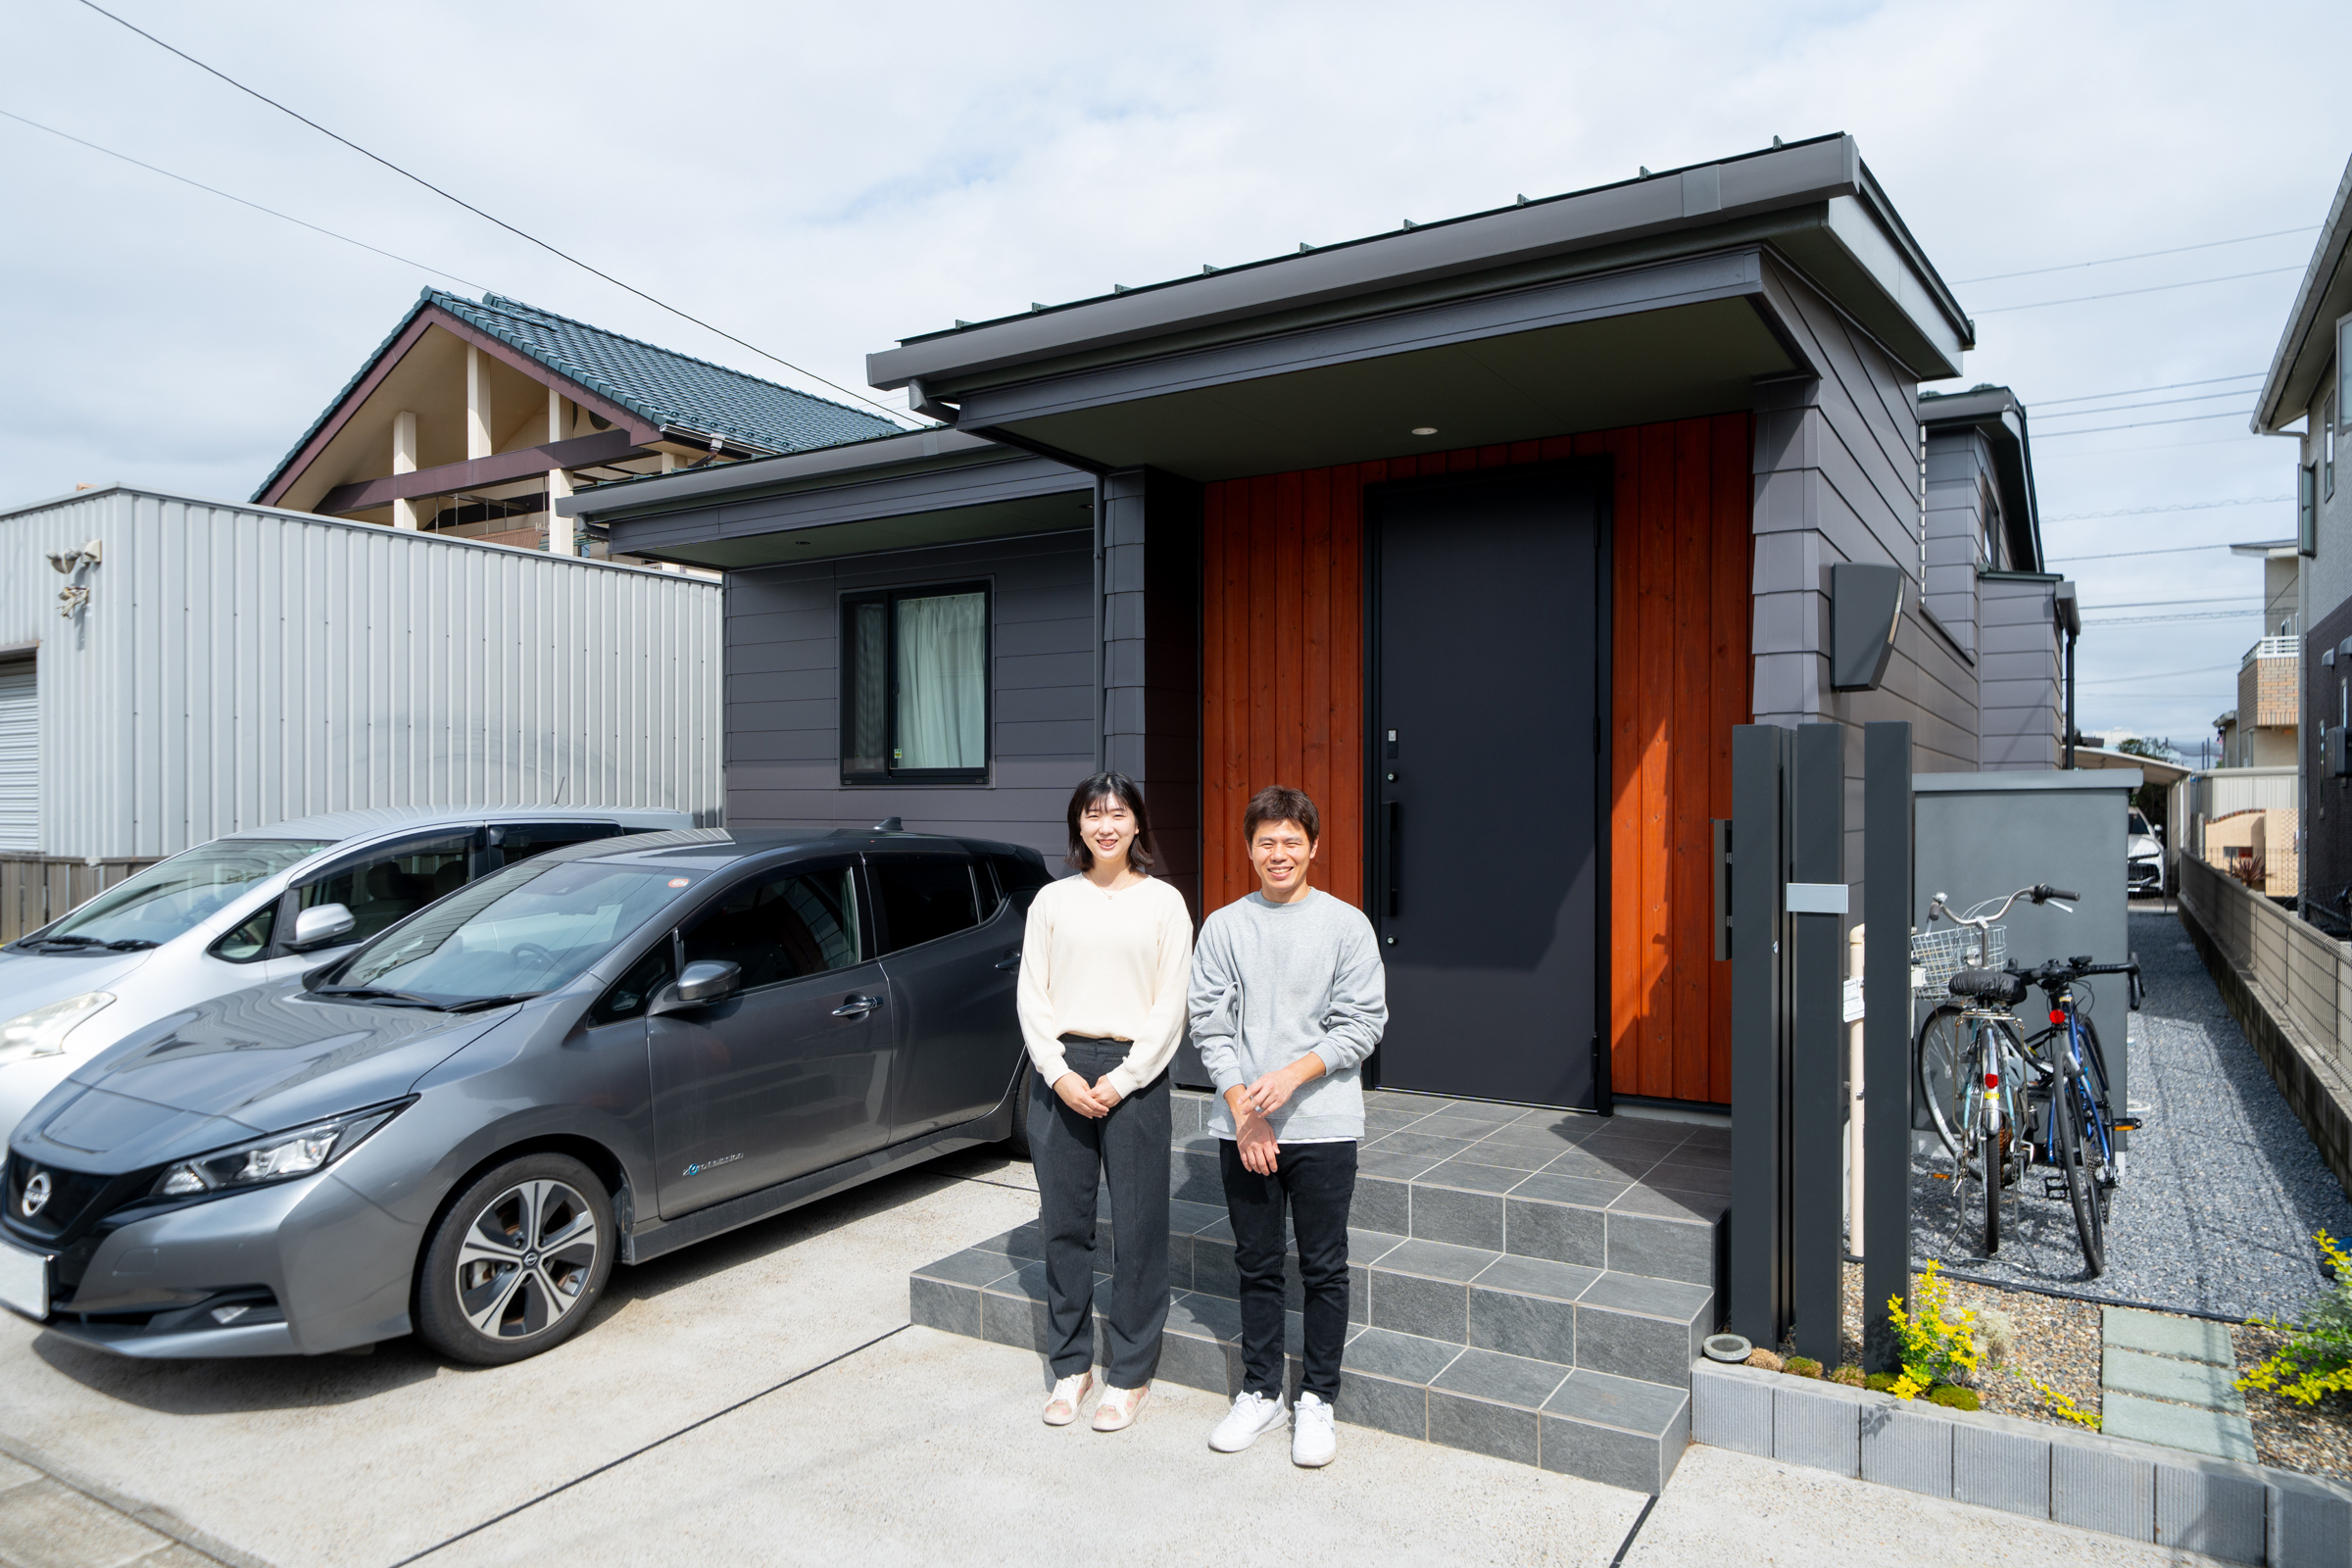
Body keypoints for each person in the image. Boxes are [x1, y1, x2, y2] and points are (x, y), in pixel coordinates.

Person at [1189, 785, 1386, 1467]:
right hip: (1243, 1126)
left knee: (1325, 1265)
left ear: (1314, 846)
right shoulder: (1223, 927)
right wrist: (1247, 1109)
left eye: (1291, 841)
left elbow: (1363, 1024)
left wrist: (1292, 1078)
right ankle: (1262, 1390)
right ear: (1249, 849)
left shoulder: (1346, 926)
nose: (1279, 853)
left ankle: (1318, 1399)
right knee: (1257, 1262)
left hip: (1325, 1125)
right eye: (1265, 842)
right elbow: (1209, 1026)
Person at [1015, 771, 1194, 1432]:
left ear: (1138, 825)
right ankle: (1071, 1365)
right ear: (1079, 826)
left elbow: (1170, 1005)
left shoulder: (1164, 904)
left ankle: (1130, 1374)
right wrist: (1058, 1073)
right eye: (1094, 814)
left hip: (1135, 1074)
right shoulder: (1052, 902)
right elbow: (1032, 995)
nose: (1107, 824)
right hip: (1061, 1070)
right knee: (1064, 1222)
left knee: (1141, 1226)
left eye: (1119, 813)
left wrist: (1125, 1078)